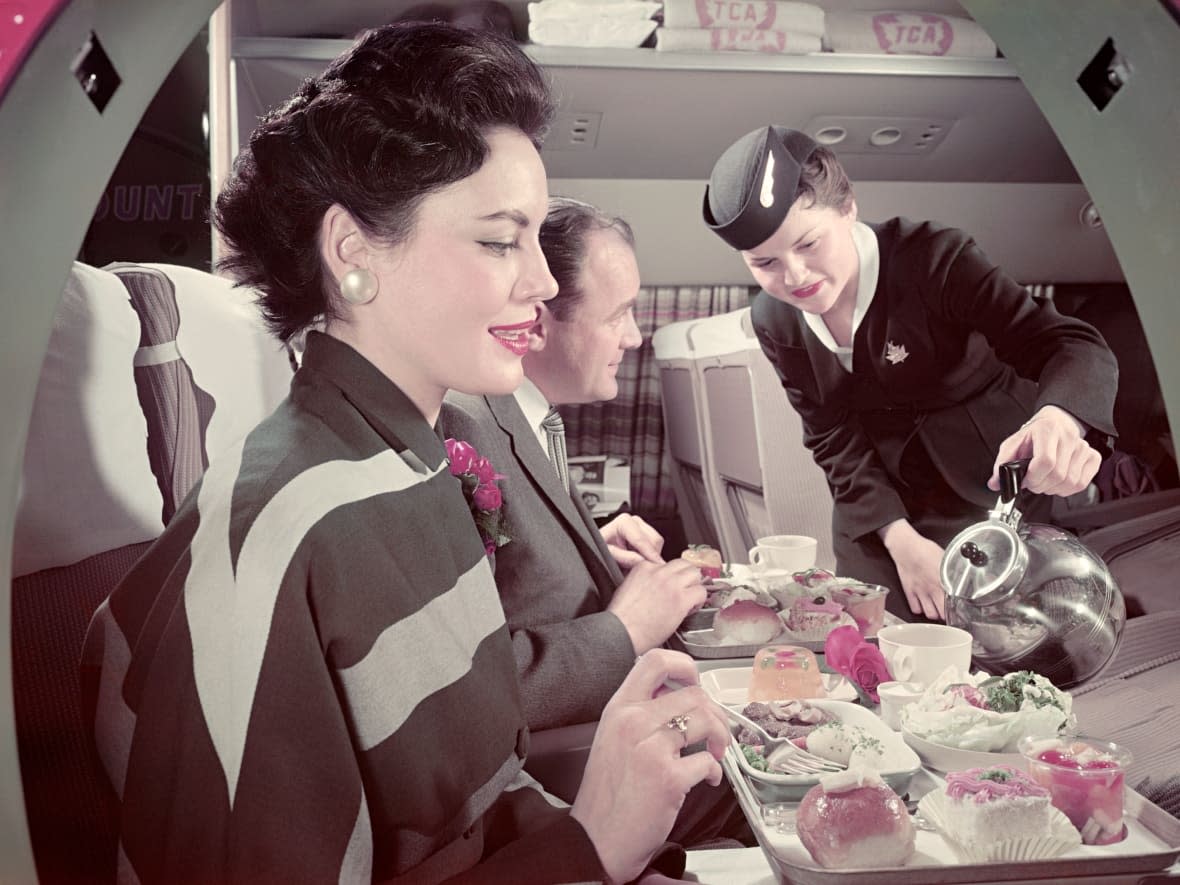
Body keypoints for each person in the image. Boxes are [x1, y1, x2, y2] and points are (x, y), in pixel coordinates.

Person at [80, 23, 729, 884]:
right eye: (502, 239)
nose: (541, 281)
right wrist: (596, 841)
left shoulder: (414, 462)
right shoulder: (288, 531)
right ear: (352, 255)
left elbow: (472, 798)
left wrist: (618, 798)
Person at [701, 126, 1118, 622]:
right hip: (879, 502)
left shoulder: (936, 260)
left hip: (985, 481)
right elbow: (831, 435)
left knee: (1003, 637)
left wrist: (1058, 421)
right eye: (764, 263)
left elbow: (1064, 344)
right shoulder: (774, 319)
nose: (795, 277)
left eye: (810, 244)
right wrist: (900, 542)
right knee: (871, 639)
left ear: (848, 208)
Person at [442, 198, 706, 732]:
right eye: (617, 315)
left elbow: (517, 579)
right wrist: (625, 629)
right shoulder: (461, 431)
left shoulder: (527, 420)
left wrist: (589, 551)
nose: (633, 336)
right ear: (537, 323)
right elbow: (466, 688)